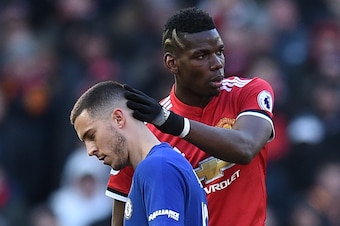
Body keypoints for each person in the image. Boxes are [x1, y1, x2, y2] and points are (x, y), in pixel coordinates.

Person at [106, 6, 275, 226]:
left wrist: (172, 123)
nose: (218, 63)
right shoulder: (145, 132)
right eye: (202, 56)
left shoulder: (247, 92)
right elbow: (120, 217)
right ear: (171, 63)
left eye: (220, 51)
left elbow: (245, 148)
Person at [69, 81, 209, 226]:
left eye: (91, 135)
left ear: (118, 118)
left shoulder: (157, 167)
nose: (90, 150)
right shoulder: (163, 163)